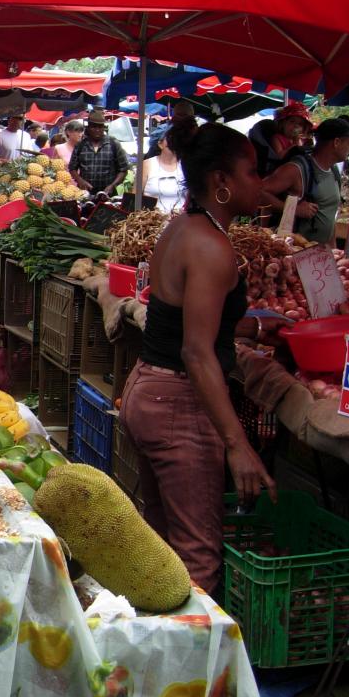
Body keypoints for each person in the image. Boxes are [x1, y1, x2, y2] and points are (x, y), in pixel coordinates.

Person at [119, 123, 278, 592]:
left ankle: (155, 659)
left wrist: (252, 327)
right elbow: (196, 352)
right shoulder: (212, 247)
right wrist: (237, 445)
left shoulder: (183, 228)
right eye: (251, 172)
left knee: (163, 551)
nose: (261, 183)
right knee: (197, 564)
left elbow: (186, 320)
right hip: (179, 405)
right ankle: (192, 665)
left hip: (148, 391)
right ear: (220, 181)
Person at [262, 117, 349, 246]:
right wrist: (293, 208)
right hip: (295, 257)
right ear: (336, 142)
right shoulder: (296, 169)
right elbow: (259, 192)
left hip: (322, 257)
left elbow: (329, 216)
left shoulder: (333, 170)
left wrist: (333, 250)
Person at [69, 109, 129, 194]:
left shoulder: (113, 144)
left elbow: (123, 169)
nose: (97, 130)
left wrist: (113, 185)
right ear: (88, 127)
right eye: (94, 126)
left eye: (100, 127)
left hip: (108, 194)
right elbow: (72, 168)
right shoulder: (80, 145)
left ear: (104, 127)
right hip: (85, 193)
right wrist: (80, 181)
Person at [249, 102, 313, 177]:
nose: (296, 126)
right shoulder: (277, 138)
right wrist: (293, 146)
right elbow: (279, 157)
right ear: (283, 123)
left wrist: (298, 142)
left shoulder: (300, 140)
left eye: (300, 124)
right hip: (278, 171)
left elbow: (300, 156)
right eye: (292, 121)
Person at [140, 132, 184, 213]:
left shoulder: (186, 165)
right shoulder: (147, 165)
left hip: (181, 221)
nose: (173, 142)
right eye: (169, 138)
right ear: (160, 144)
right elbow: (134, 197)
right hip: (152, 221)